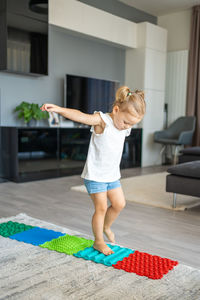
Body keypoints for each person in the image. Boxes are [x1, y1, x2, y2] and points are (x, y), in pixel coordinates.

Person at [40, 86, 146, 255]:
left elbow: (124, 128)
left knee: (119, 204)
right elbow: (80, 116)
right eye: (126, 122)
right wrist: (59, 109)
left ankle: (106, 226)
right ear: (116, 110)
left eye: (132, 124)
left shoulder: (124, 126)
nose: (127, 127)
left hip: (112, 175)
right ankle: (98, 241)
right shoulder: (102, 121)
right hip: (96, 176)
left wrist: (127, 124)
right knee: (102, 207)